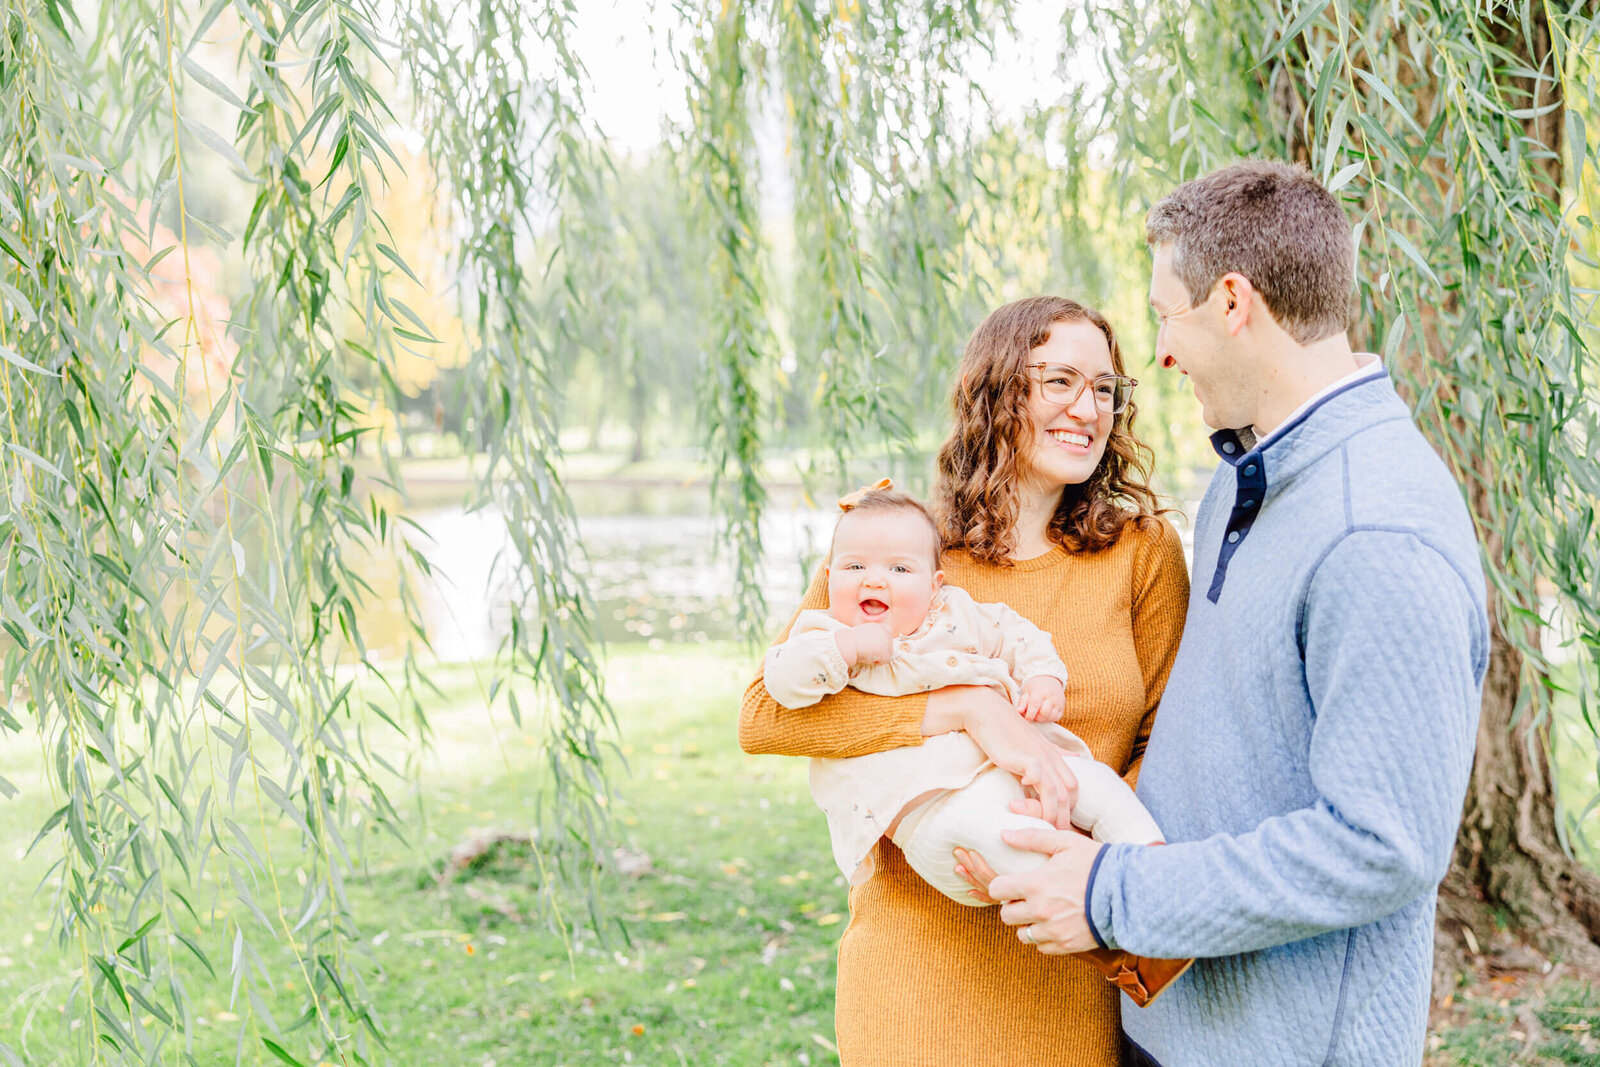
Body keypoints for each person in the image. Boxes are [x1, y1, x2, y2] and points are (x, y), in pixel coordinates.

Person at [959, 162, 1488, 1067]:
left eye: (1169, 313)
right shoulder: (1249, 477)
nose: (1160, 352)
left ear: (1233, 301)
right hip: (1174, 1021)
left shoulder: (1377, 529)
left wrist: (1113, 892)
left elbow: (1384, 846)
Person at [739, 294, 1190, 1065]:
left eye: (1106, 389)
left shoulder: (1141, 551)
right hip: (915, 969)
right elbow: (768, 718)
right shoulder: (899, 542)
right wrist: (967, 709)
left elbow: (1166, 737)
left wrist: (1083, 870)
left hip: (1067, 957)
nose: (1089, 408)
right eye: (1060, 382)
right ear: (999, 389)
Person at [762, 482, 1165, 907]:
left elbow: (1017, 634)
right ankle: (1105, 907)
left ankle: (1155, 880)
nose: (875, 581)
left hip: (1020, 770)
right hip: (935, 810)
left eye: (899, 570)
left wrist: (1043, 678)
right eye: (854, 568)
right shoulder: (823, 633)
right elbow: (779, 687)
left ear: (935, 584)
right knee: (1009, 835)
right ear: (829, 577)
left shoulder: (955, 613)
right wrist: (848, 649)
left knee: (1095, 785)